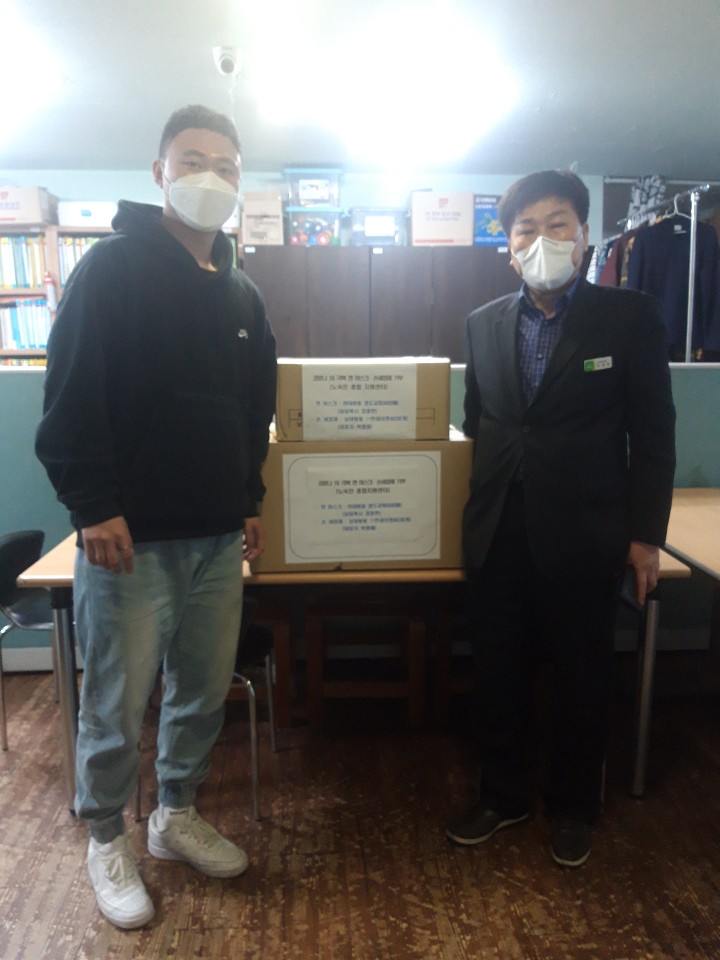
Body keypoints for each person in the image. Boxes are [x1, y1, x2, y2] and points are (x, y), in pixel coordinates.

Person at [35, 105, 277, 928]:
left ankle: (174, 815)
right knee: (115, 702)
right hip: (129, 543)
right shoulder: (109, 271)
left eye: (226, 166)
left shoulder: (242, 292)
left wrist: (249, 501)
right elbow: (70, 398)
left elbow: (253, 411)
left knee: (201, 693)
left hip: (217, 538)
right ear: (159, 173)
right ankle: (107, 836)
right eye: (192, 160)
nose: (210, 177)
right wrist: (94, 506)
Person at [446, 170, 676, 867]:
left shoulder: (628, 317)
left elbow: (654, 434)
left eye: (557, 225)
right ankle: (504, 796)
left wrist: (646, 537)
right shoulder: (482, 322)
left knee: (582, 676)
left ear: (583, 236)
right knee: (499, 672)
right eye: (526, 229)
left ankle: (575, 806)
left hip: (587, 531)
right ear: (508, 247)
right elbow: (478, 422)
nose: (541, 239)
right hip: (499, 530)